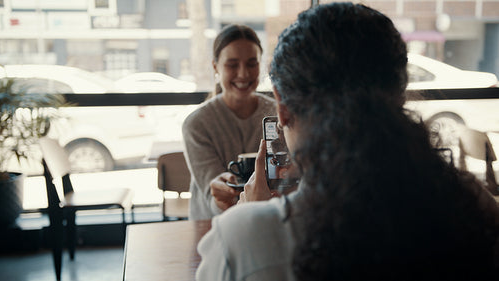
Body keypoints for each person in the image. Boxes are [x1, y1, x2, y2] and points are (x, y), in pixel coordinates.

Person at [196, 3, 499, 280]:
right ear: (399, 93)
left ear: (282, 108)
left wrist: (251, 214)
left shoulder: (243, 238)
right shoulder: (475, 205)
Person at [182, 24, 276, 220]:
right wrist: (220, 199)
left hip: (266, 220)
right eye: (232, 65)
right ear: (215, 66)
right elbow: (211, 198)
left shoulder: (278, 113)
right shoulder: (197, 124)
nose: (243, 74)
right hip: (211, 224)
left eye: (252, 63)